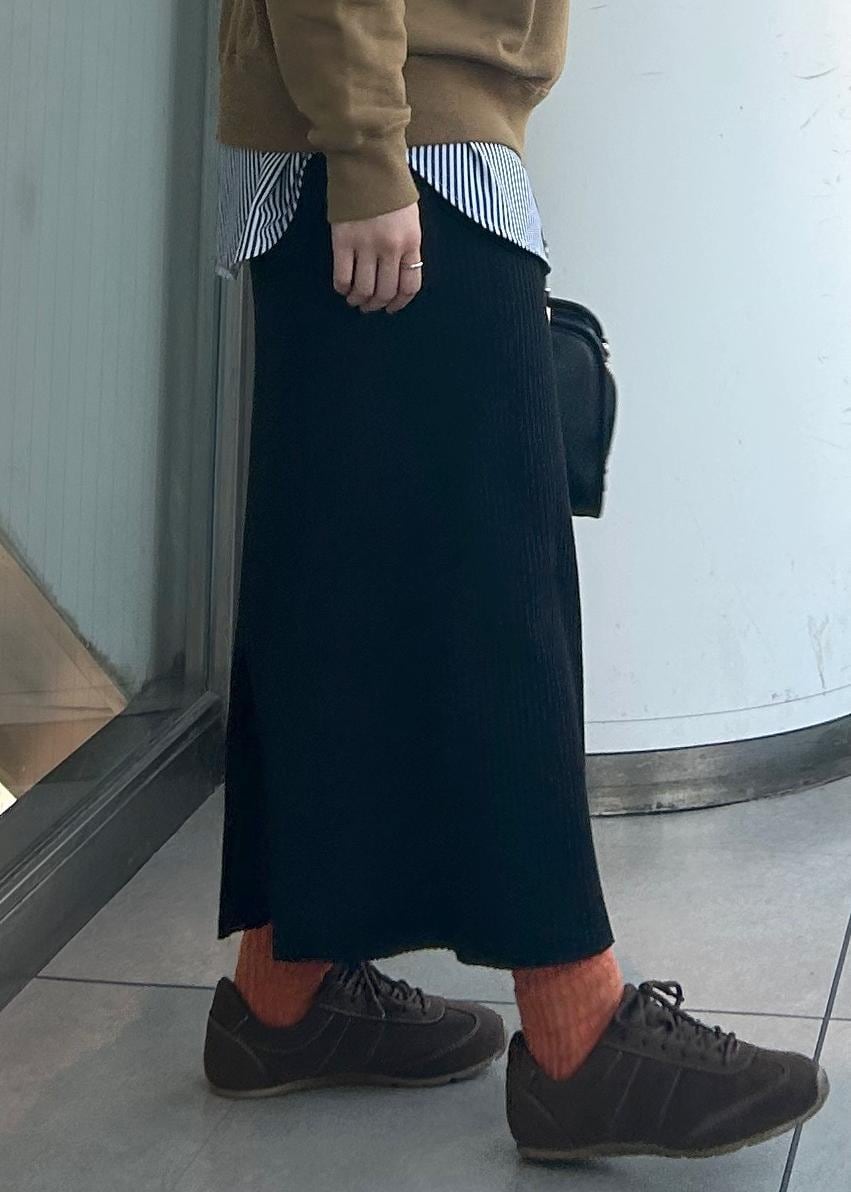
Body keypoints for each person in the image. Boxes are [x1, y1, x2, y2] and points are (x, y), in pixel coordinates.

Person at [202, 0, 829, 1162]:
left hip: (391, 127)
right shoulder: (378, 145)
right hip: (397, 142)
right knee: (498, 597)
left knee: (339, 588)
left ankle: (281, 997)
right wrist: (367, 144)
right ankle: (575, 1033)